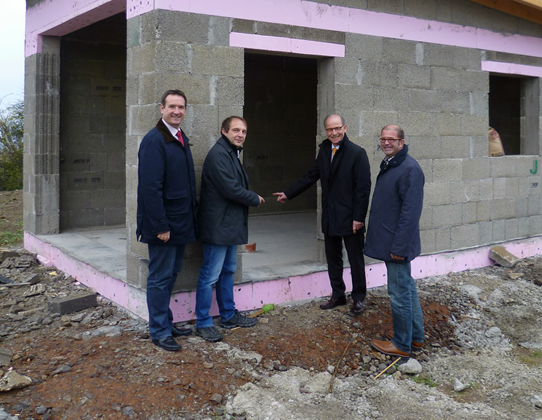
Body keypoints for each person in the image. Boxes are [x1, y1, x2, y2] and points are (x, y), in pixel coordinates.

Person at [273, 114, 371, 314]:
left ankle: (359, 298)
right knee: (333, 258)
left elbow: (363, 188)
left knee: (355, 260)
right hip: (331, 215)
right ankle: (338, 295)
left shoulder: (357, 153)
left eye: (337, 128)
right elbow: (311, 175)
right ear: (325, 131)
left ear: (344, 127)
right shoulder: (325, 150)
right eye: (329, 129)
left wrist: (359, 218)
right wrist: (289, 194)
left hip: (352, 218)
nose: (333, 133)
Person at [136, 89, 197, 352]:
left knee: (171, 274)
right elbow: (150, 189)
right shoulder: (154, 141)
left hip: (180, 223)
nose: (176, 111)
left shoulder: (179, 137)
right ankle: (159, 330)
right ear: (161, 108)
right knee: (160, 277)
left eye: (181, 107)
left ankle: (166, 322)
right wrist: (160, 226)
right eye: (171, 106)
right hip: (164, 226)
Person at [194, 116, 265, 342]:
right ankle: (203, 322)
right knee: (210, 275)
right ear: (224, 131)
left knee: (227, 272)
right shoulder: (218, 155)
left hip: (229, 226)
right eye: (235, 130)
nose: (240, 134)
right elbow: (231, 189)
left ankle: (228, 315)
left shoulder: (230, 153)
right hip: (218, 227)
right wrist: (254, 198)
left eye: (243, 131)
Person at [364, 124, 425, 359]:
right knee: (408, 289)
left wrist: (399, 248)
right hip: (393, 240)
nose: (386, 142)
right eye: (383, 138)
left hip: (397, 244)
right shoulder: (393, 164)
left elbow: (410, 214)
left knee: (399, 293)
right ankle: (416, 339)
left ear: (402, 142)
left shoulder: (410, 169)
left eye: (391, 139)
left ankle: (401, 343)